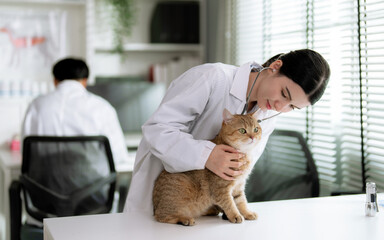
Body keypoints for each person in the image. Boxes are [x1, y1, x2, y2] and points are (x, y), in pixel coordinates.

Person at [124, 49, 330, 213]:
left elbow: (236, 172)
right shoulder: (213, 77)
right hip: (164, 201)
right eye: (284, 94)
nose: (280, 106)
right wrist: (206, 155)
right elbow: (157, 129)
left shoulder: (267, 116)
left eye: (292, 106)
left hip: (208, 210)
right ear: (275, 67)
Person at [21, 58, 129, 226]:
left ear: (55, 80)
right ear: (84, 81)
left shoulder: (37, 106)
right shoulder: (102, 108)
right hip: (93, 207)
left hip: (44, 207)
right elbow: (119, 157)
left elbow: (26, 154)